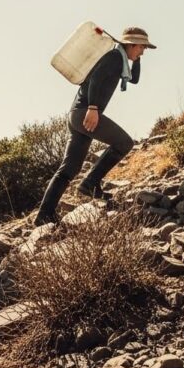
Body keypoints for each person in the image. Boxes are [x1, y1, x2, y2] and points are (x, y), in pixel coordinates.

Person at [35, 27, 156, 226]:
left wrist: (138, 59)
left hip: (76, 115)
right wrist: (93, 108)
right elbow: (97, 79)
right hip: (86, 112)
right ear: (131, 44)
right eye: (141, 47)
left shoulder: (121, 60)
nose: (143, 51)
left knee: (69, 169)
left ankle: (43, 216)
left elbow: (134, 79)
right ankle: (90, 183)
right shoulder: (114, 57)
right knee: (124, 143)